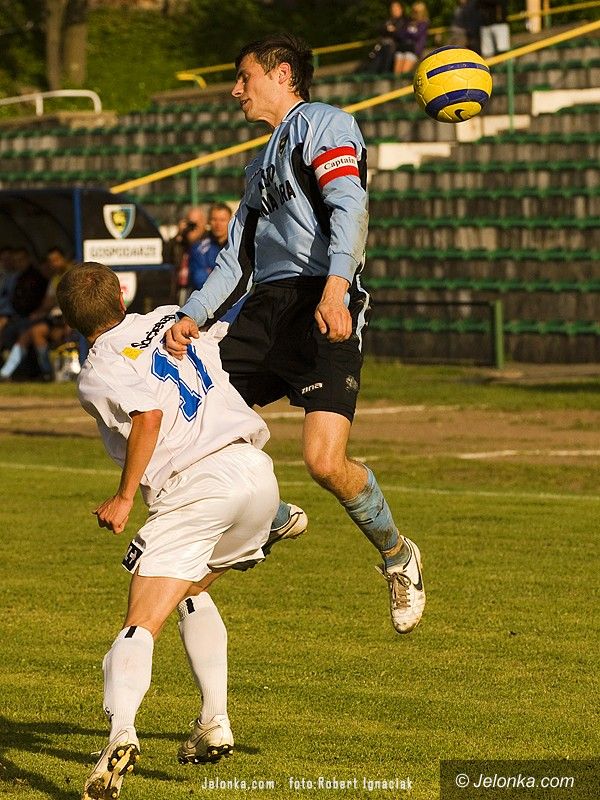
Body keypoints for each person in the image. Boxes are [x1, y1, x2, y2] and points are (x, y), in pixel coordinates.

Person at [165, 33, 425, 635]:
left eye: (244, 77)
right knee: (191, 420)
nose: (236, 90)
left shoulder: (325, 125)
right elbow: (236, 259)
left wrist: (336, 289)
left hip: (320, 298)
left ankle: (397, 554)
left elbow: (350, 208)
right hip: (266, 308)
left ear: (282, 74)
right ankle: (269, 516)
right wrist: (193, 314)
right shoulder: (258, 165)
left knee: (324, 463)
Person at [56, 262, 283, 799]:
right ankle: (214, 720)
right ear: (121, 297)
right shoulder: (173, 318)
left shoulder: (98, 367)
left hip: (196, 487)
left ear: (69, 320)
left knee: (139, 625)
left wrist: (124, 497)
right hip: (256, 473)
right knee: (189, 592)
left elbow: (149, 416)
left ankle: (120, 734)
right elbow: (234, 332)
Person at [0, 246, 73, 381]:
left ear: (64, 259)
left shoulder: (72, 275)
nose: (53, 264)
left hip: (70, 320)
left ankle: (45, 371)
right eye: (50, 261)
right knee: (29, 334)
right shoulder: (55, 279)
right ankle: (7, 373)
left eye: (56, 260)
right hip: (54, 319)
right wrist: (38, 314)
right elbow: (48, 302)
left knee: (34, 331)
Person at [188, 202, 233, 292]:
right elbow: (199, 279)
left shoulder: (238, 247)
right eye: (214, 219)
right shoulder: (199, 249)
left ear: (231, 221)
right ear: (209, 221)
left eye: (222, 220)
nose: (218, 224)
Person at [363, 1, 410, 74]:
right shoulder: (388, 20)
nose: (394, 10)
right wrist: (387, 29)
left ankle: (384, 73)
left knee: (388, 48)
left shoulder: (405, 21)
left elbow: (404, 36)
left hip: (397, 48)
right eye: (393, 8)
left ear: (401, 9)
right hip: (383, 47)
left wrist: (394, 31)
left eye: (396, 8)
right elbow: (379, 29)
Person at [394, 1, 429, 74]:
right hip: (403, 48)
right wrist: (409, 33)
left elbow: (417, 35)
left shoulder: (424, 23)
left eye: (417, 11)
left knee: (404, 74)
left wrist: (408, 33)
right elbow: (401, 34)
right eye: (414, 11)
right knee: (396, 74)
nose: (415, 13)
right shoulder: (408, 21)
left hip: (414, 51)